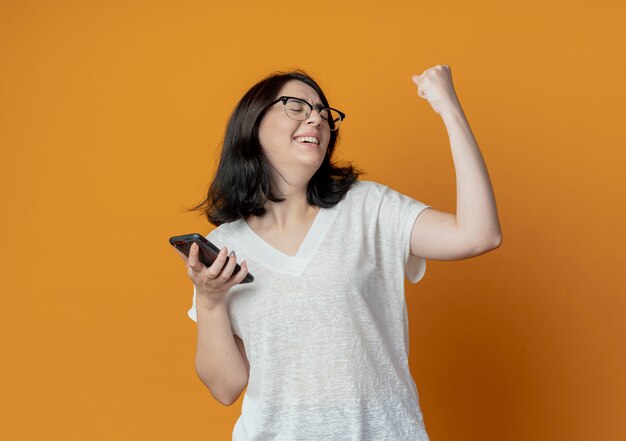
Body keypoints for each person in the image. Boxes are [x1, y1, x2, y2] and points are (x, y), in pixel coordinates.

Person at [174, 66, 502, 440]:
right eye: (296, 107)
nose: (315, 118)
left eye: (323, 113)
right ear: (252, 125)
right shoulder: (225, 247)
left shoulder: (368, 208)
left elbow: (479, 234)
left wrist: (449, 109)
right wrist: (210, 300)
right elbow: (225, 387)